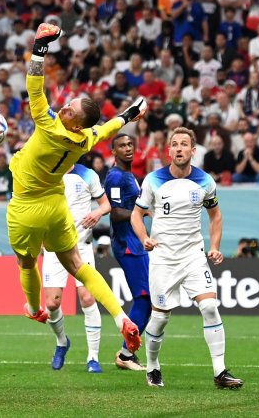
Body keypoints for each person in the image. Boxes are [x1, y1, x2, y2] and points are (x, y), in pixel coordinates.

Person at [6, 23, 145, 353]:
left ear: (73, 122)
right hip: (56, 205)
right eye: (69, 104)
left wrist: (40, 46)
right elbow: (107, 130)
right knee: (78, 266)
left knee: (26, 264)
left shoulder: (49, 124)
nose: (65, 106)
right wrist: (128, 114)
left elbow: (34, 87)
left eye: (70, 110)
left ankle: (33, 306)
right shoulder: (84, 139)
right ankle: (121, 318)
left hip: (26, 206)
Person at [131, 126, 243, 389]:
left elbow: (215, 215)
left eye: (184, 144)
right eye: (174, 144)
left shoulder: (205, 181)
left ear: (193, 151)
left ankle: (220, 372)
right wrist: (144, 238)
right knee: (160, 317)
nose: (178, 148)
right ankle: (153, 367)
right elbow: (137, 214)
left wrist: (214, 245)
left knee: (209, 307)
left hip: (193, 256)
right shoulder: (153, 180)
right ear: (168, 150)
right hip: (163, 258)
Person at [41, 163, 111, 373]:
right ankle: (62, 342)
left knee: (88, 298)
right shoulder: (46, 172)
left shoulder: (87, 174)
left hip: (82, 247)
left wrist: (97, 213)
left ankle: (93, 358)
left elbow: (106, 204)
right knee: (52, 304)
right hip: (54, 248)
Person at [104, 134, 152, 372]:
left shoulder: (128, 175)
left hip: (136, 242)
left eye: (130, 144)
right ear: (113, 151)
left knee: (148, 298)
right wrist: (141, 212)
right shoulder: (115, 177)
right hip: (126, 244)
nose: (127, 149)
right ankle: (125, 354)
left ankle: (127, 352)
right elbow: (114, 212)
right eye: (122, 146)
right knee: (144, 297)